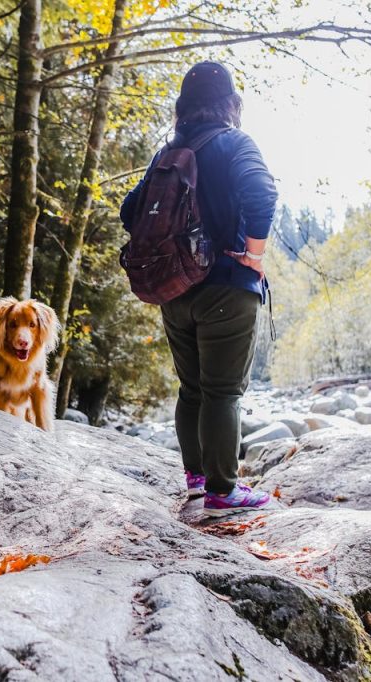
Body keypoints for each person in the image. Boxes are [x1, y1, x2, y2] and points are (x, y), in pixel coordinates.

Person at [120, 61, 278, 516]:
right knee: (224, 391)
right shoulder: (234, 143)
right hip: (228, 284)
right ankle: (223, 491)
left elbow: (130, 211)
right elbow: (262, 194)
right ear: (230, 104)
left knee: (192, 389)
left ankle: (195, 482)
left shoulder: (168, 153)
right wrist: (254, 254)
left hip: (174, 288)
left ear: (183, 108)